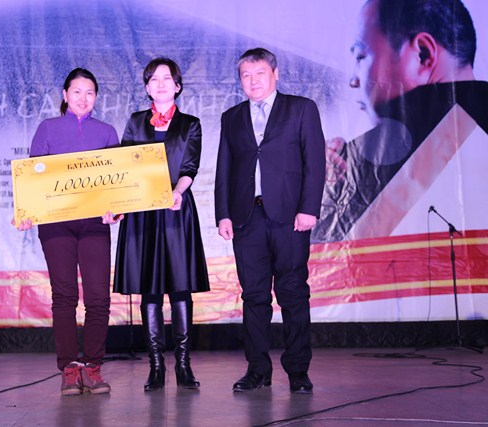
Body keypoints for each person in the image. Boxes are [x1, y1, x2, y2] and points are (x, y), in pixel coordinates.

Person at [314, 0, 488, 242]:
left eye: (361, 56)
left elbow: (324, 258)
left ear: (422, 55)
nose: (353, 80)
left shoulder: (365, 162)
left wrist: (318, 191)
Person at [214, 48, 325, 393]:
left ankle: (298, 370)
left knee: (293, 293)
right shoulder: (232, 117)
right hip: (247, 218)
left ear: (275, 74)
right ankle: (257, 369)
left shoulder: (301, 108)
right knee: (254, 296)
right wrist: (223, 214)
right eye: (246, 75)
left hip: (290, 217)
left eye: (260, 73)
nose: (253, 81)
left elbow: (315, 161)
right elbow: (224, 169)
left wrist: (309, 208)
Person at [105, 57, 210, 391]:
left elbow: (189, 166)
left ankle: (183, 365)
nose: (161, 84)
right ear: (147, 87)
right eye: (154, 79)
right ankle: (155, 366)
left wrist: (177, 192)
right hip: (141, 213)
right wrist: (118, 205)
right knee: (149, 288)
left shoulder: (190, 124)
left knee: (180, 287)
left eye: (167, 78)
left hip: (176, 209)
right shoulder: (135, 122)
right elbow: (124, 168)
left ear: (177, 86)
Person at [15, 68, 119, 396]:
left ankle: (93, 367)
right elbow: (33, 178)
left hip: (94, 224)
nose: (83, 98)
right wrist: (26, 211)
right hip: (56, 223)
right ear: (64, 94)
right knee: (64, 296)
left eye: (90, 92)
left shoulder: (106, 132)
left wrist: (116, 208)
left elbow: (117, 182)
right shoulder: (47, 128)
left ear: (96, 97)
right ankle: (70, 369)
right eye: (77, 92)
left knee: (99, 297)